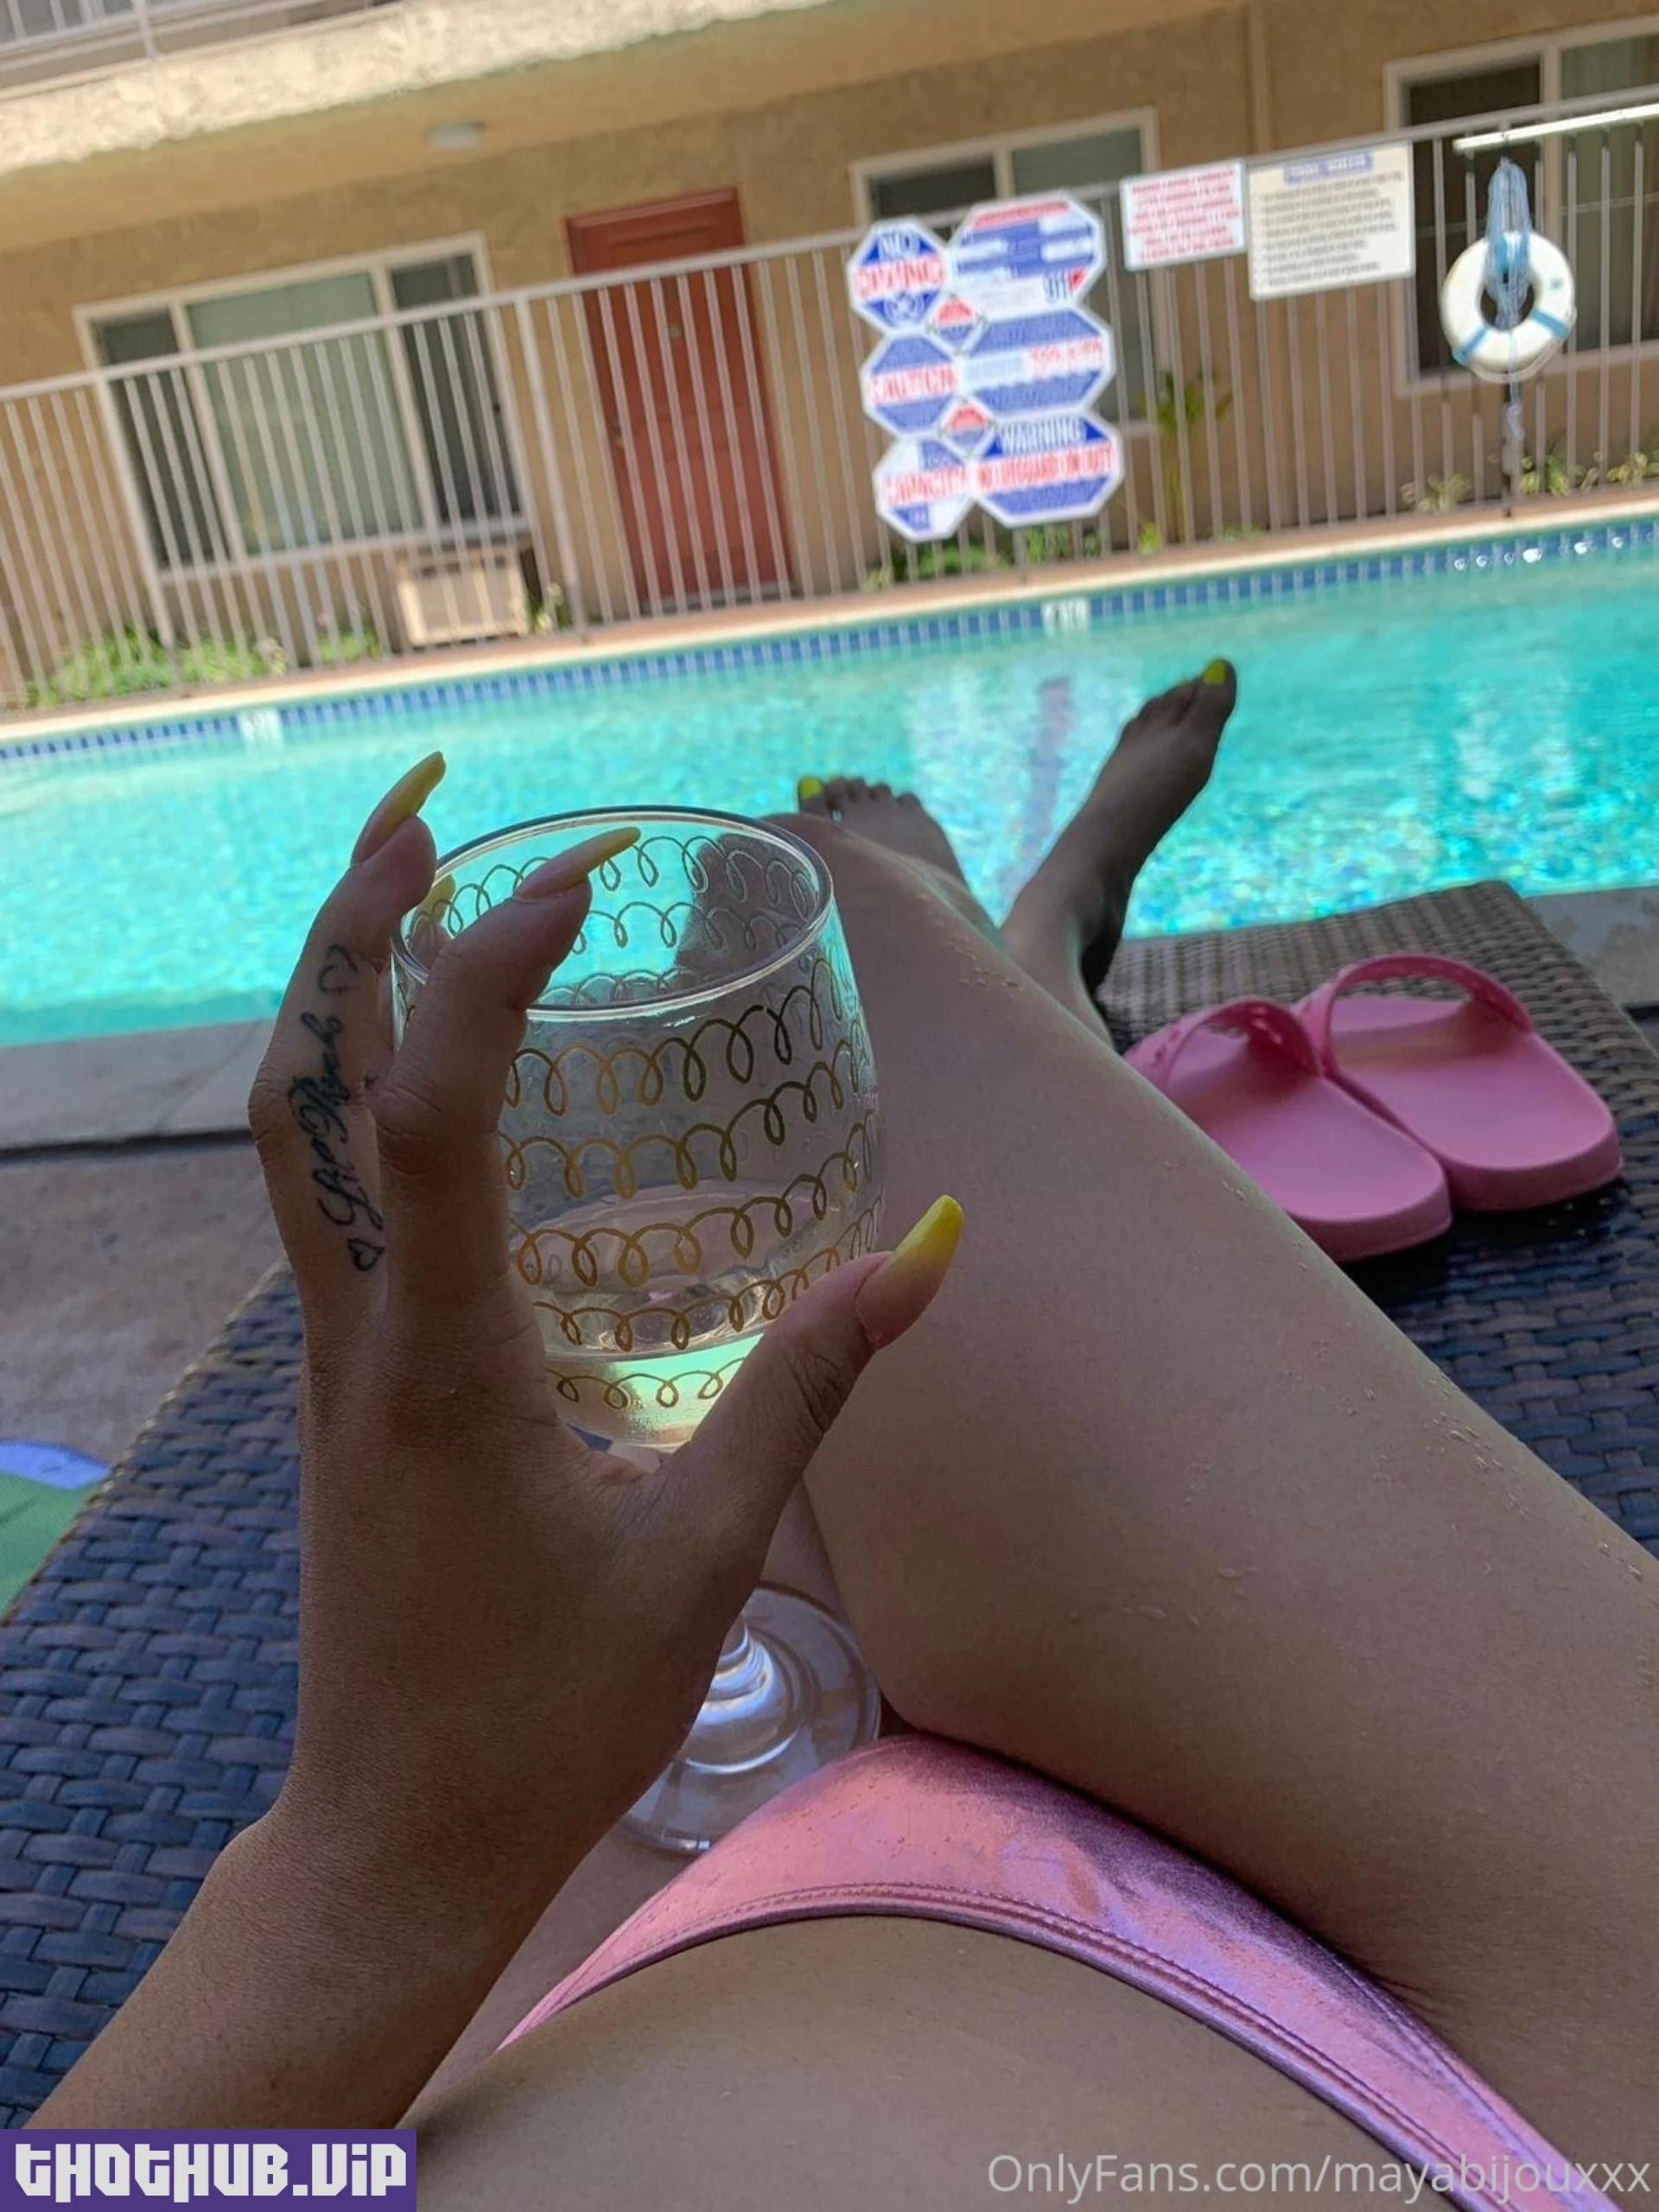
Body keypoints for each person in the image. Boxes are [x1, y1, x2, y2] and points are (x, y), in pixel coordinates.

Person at [31, 666, 1656, 2209]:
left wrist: (370, 1881)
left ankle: (1031, 942)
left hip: (485, 2004)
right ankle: (1043, 933)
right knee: (854, 966)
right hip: (1577, 2091)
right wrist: (368, 1872)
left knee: (811, 946)